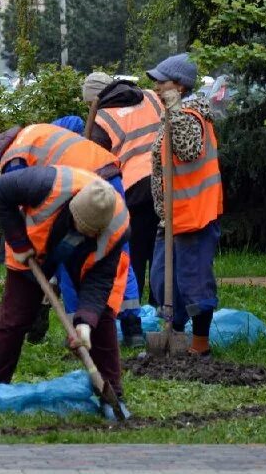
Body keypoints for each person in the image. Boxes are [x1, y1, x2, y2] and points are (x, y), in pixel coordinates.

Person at [0, 167, 131, 420]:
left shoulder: (118, 227)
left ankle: (113, 397)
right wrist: (18, 242)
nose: (85, 232)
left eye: (91, 231)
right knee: (14, 319)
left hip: (85, 257)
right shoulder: (44, 183)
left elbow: (98, 283)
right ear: (73, 210)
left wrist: (85, 323)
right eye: (82, 226)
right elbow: (0, 191)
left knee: (103, 319)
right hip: (35, 246)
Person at [0, 117, 142, 346]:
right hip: (108, 175)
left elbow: (28, 219)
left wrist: (27, 252)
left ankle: (78, 332)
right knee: (116, 252)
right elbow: (73, 121)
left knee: (70, 258)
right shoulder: (30, 132)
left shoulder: (13, 160)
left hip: (86, 187)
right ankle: (133, 330)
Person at [146, 53, 223, 357]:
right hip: (172, 216)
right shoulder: (175, 114)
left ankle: (199, 346)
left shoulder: (189, 115)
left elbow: (188, 151)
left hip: (194, 216)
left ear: (178, 85)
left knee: (193, 282)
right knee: (163, 281)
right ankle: (173, 336)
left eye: (160, 82)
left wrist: (174, 108)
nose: (155, 87)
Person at [83, 71, 165, 335]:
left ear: (94, 99)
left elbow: (95, 163)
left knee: (135, 254)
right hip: (165, 180)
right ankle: (161, 307)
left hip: (132, 188)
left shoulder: (102, 118)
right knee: (161, 249)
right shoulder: (151, 97)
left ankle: (135, 311)